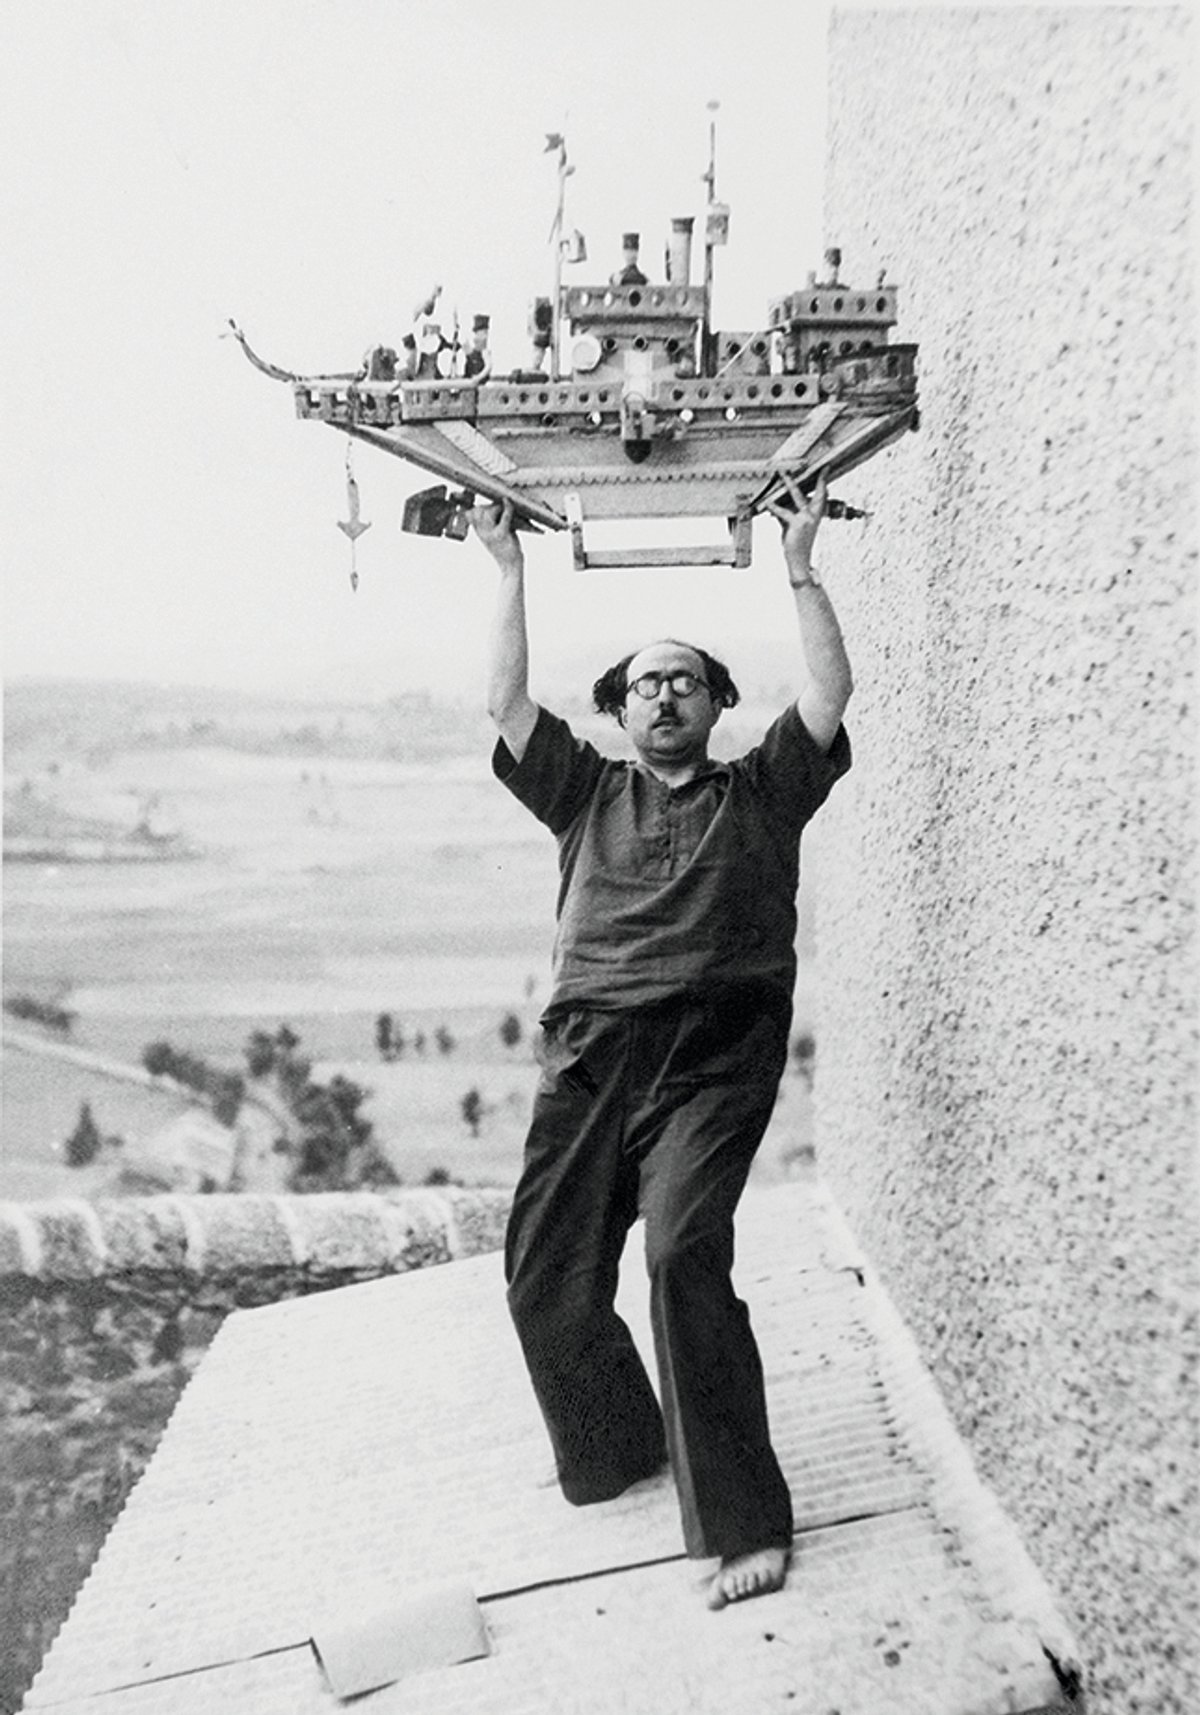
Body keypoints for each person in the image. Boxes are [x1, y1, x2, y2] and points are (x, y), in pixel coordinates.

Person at [471, 476, 853, 1610]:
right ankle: (620, 1445)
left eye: (687, 679)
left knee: (683, 1251)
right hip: (589, 1061)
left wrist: (799, 564)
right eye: (646, 684)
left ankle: (743, 1519)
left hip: (711, 1060)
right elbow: (504, 700)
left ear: (719, 703)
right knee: (544, 1274)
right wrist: (506, 570)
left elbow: (830, 687)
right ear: (622, 712)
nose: (667, 694)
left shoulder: (765, 791)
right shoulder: (584, 792)